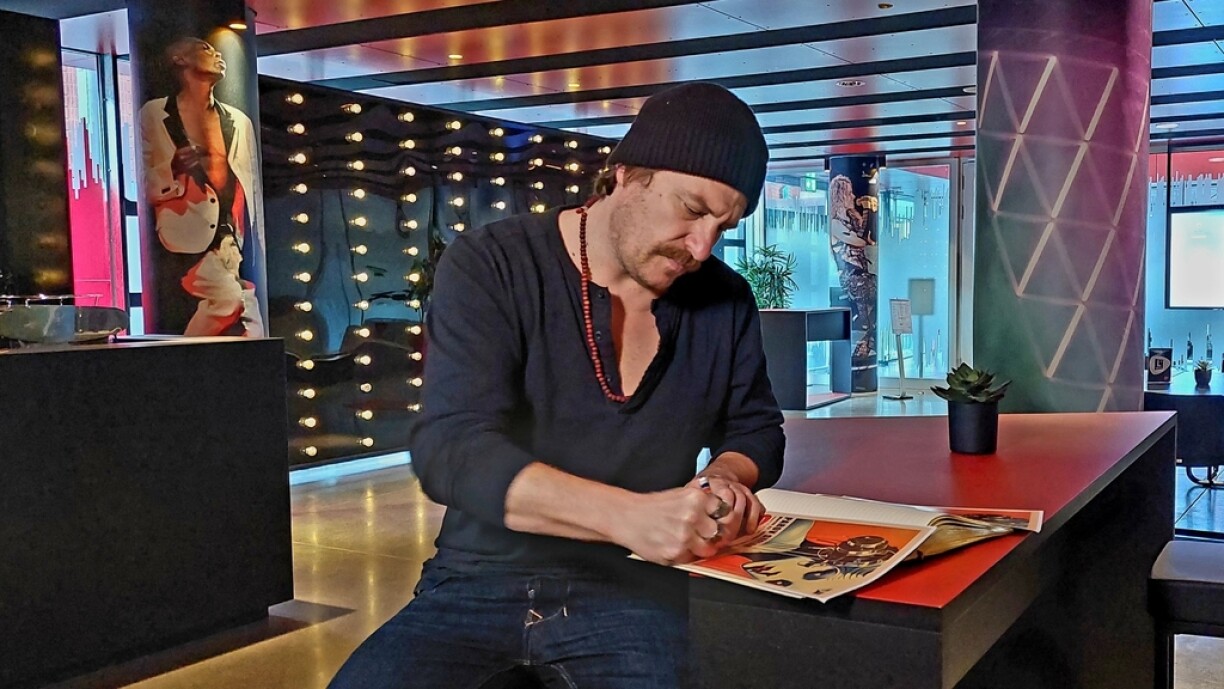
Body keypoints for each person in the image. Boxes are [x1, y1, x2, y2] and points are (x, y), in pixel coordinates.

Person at [328, 82, 784, 689]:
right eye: (693, 209)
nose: (702, 247)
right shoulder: (492, 263)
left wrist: (722, 479)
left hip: (634, 586)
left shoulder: (725, 299)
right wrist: (629, 517)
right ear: (626, 175)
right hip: (477, 578)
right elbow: (452, 449)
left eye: (723, 226)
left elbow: (756, 427)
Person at [138, 37, 263, 336]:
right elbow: (140, 186)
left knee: (253, 327)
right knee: (228, 300)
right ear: (180, 59)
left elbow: (252, 186)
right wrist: (171, 169)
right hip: (185, 234)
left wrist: (253, 237)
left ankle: (193, 359)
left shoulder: (239, 121)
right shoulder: (154, 114)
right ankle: (183, 357)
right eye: (206, 48)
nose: (218, 54)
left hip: (232, 238)